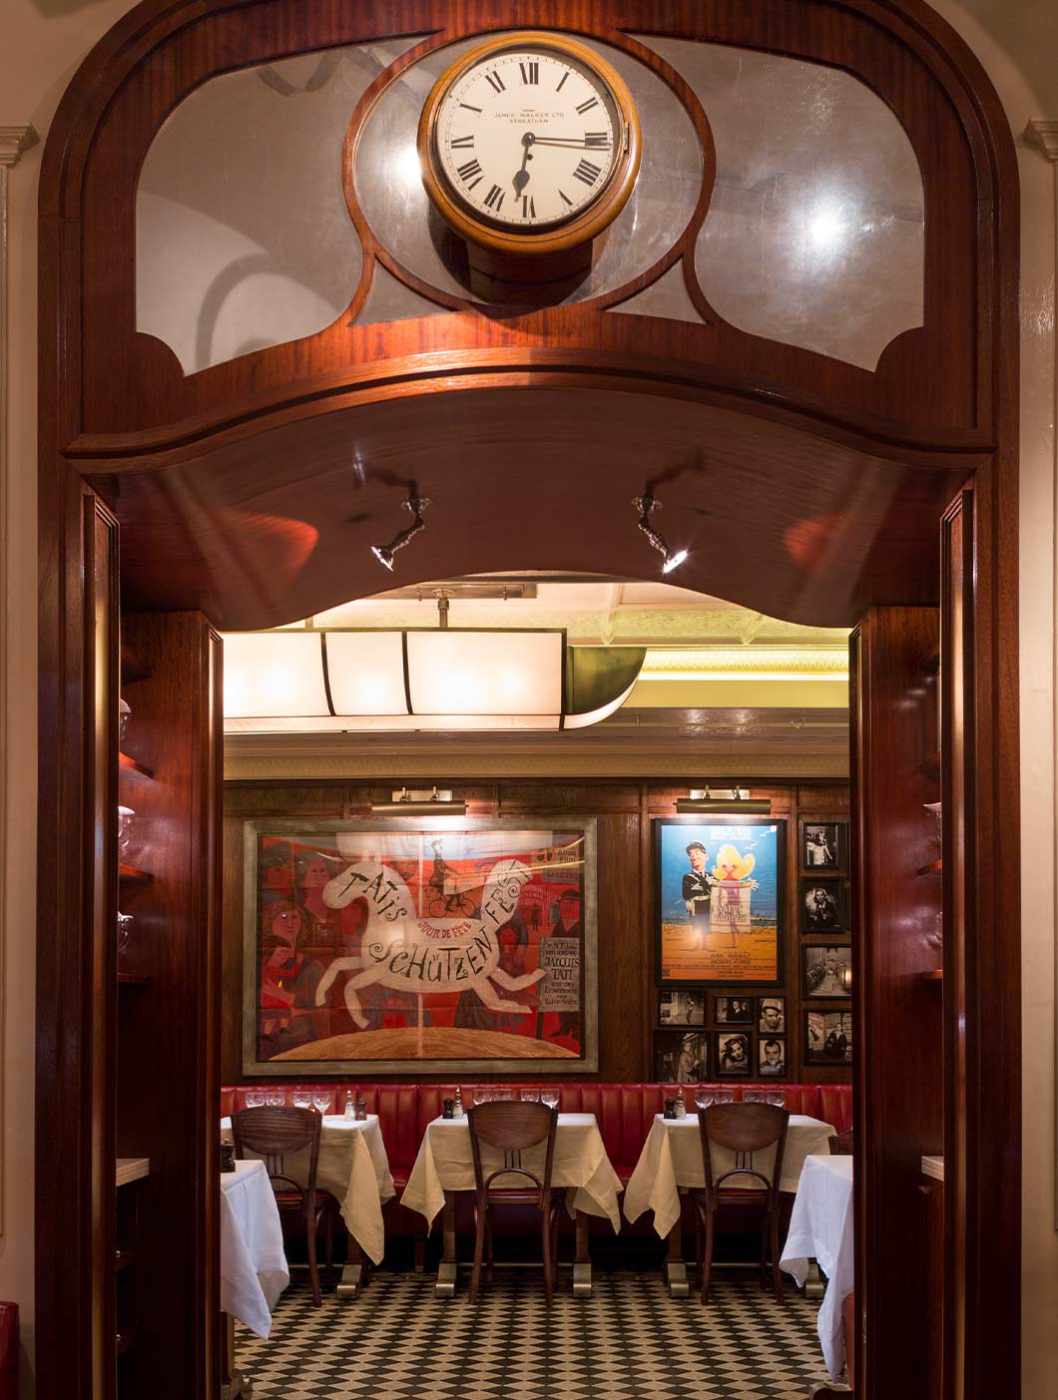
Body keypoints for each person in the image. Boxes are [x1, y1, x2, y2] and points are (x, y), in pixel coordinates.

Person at [681, 841, 716, 950]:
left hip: (707, 904)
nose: (694, 857)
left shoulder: (711, 876)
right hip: (695, 905)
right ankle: (697, 945)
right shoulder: (688, 877)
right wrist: (704, 884)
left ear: (706, 857)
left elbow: (719, 891)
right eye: (691, 854)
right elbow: (686, 895)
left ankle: (705, 945)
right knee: (696, 925)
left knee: (706, 924)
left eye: (697, 853)